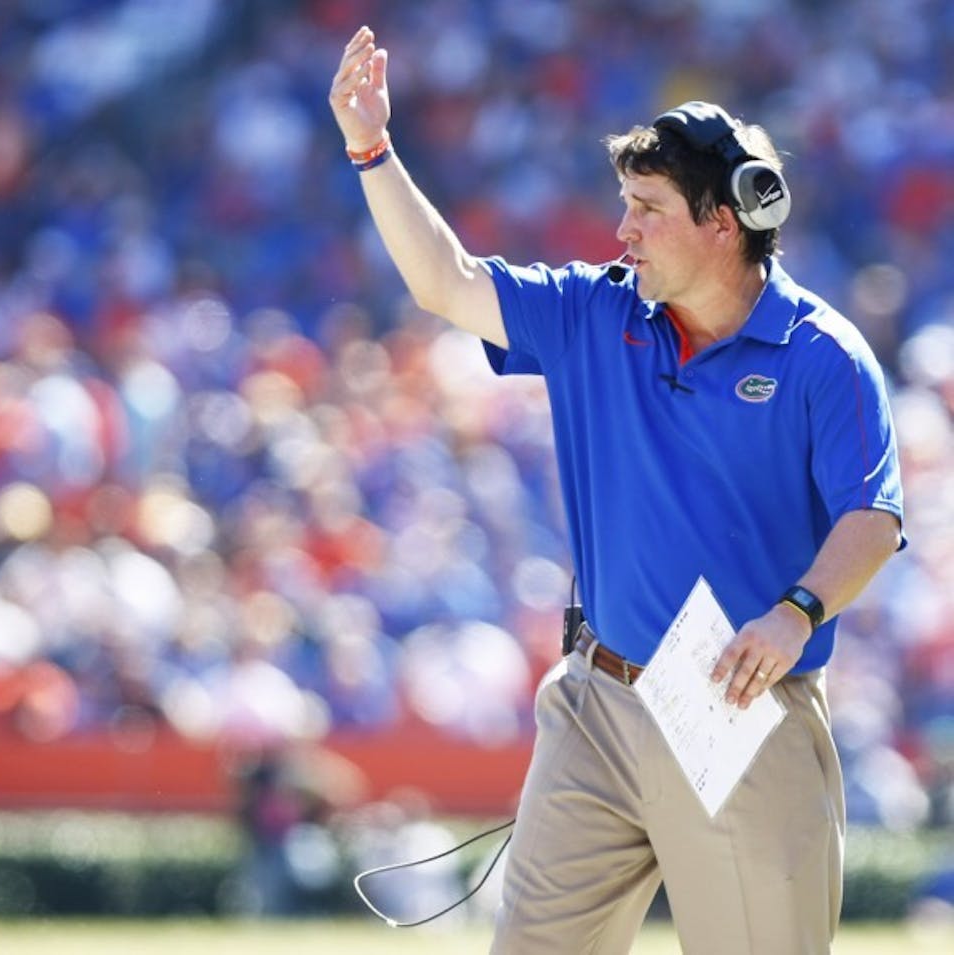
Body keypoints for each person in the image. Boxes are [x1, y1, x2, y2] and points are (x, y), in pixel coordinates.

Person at [329, 25, 905, 955]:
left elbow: (873, 516)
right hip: (596, 696)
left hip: (735, 705)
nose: (622, 228)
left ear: (726, 220)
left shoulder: (822, 355)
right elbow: (447, 282)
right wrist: (371, 147)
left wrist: (798, 611)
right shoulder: (598, 309)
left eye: (648, 207)